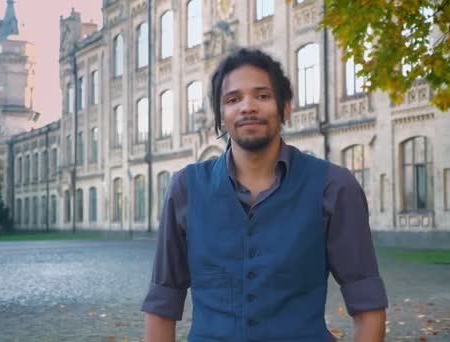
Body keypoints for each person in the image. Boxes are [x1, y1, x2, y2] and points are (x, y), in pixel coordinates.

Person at [142, 48, 388, 341]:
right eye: (233, 99)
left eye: (262, 96)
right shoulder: (185, 189)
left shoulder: (333, 186)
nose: (247, 107)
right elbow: (162, 306)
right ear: (221, 115)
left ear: (285, 107)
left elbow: (368, 306)